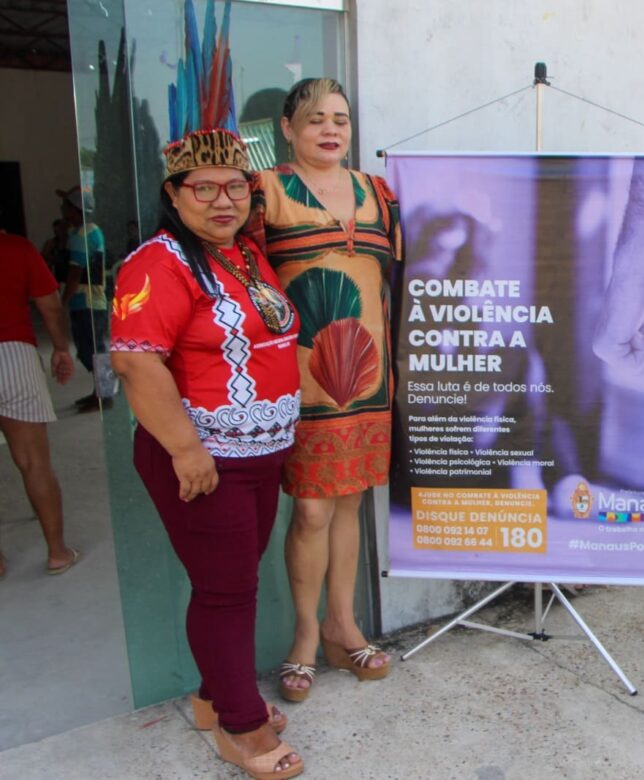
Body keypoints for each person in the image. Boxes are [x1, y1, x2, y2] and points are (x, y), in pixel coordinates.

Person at [109, 128, 304, 777]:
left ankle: (214, 696)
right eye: (203, 188)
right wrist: (188, 450)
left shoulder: (244, 255)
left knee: (234, 584)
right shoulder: (158, 263)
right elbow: (136, 362)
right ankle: (240, 729)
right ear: (174, 193)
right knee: (226, 591)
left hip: (258, 454)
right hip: (203, 458)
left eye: (235, 188)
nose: (222, 200)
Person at [255, 77, 399, 701]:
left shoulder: (376, 192)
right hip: (301, 379)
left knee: (349, 503)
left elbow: (400, 279)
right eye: (315, 119)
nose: (331, 129)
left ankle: (344, 624)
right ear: (288, 128)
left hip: (368, 378)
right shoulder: (263, 194)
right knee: (311, 507)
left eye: (339, 118)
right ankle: (305, 637)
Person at [0, 229, 79, 579]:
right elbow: (50, 305)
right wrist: (61, 348)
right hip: (13, 353)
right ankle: (58, 552)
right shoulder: (16, 248)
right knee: (33, 462)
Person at [58, 186, 111, 413]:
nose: (62, 209)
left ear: (75, 209)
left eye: (66, 205)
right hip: (91, 300)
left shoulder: (82, 235)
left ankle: (104, 392)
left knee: (91, 347)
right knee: (90, 347)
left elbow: (75, 272)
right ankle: (100, 391)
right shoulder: (83, 231)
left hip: (87, 300)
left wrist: (64, 300)